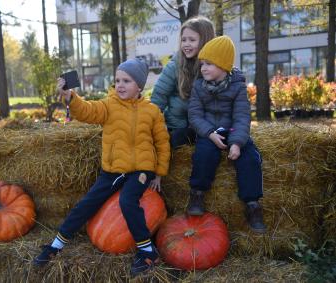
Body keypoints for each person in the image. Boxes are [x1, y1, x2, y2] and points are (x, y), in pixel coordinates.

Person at [33, 59, 171, 276]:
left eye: (127, 80)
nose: (121, 85)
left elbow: (162, 143)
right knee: (86, 204)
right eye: (117, 80)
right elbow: (88, 111)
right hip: (113, 170)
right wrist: (71, 97)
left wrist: (160, 173)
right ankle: (56, 246)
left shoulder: (152, 111)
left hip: (141, 170)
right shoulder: (108, 105)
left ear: (140, 86)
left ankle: (147, 251)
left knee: (128, 200)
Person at [187, 35, 267, 233]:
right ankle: (197, 193)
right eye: (202, 64)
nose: (203, 68)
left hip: (232, 130)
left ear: (223, 66)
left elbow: (241, 116)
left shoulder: (238, 87)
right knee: (204, 154)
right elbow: (194, 115)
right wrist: (209, 133)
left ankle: (252, 204)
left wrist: (237, 143)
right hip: (209, 131)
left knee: (249, 158)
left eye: (209, 64)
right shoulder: (198, 87)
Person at [151, 16, 215, 149]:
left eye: (192, 40)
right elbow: (158, 96)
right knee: (172, 142)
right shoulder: (175, 65)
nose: (186, 44)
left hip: (204, 126)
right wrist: (150, 125)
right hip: (177, 125)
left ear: (205, 41)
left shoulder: (213, 68)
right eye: (183, 40)